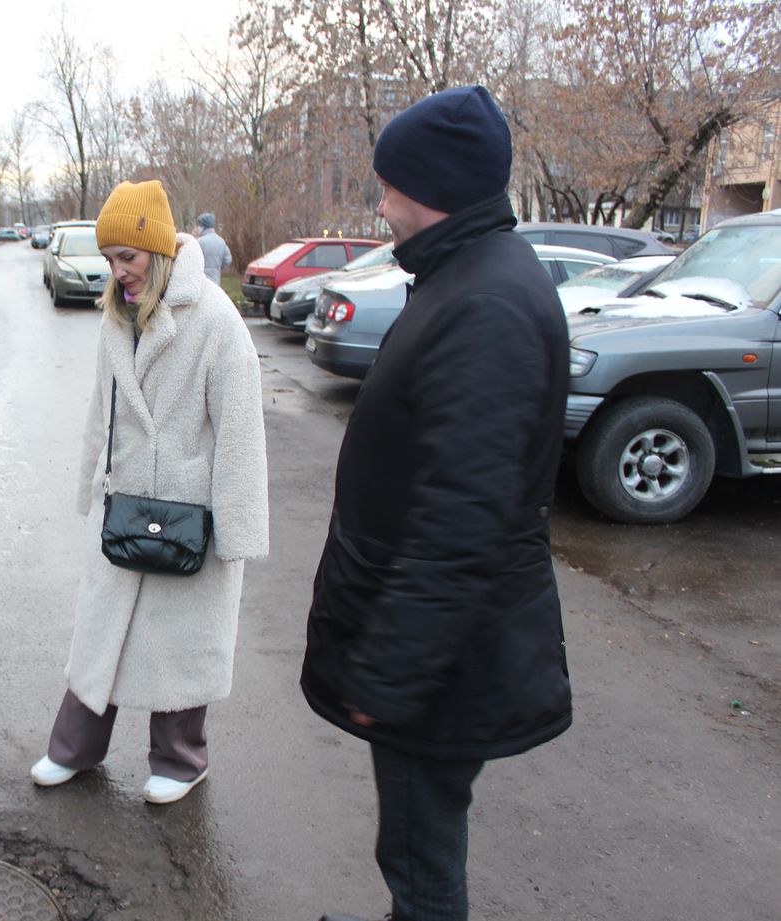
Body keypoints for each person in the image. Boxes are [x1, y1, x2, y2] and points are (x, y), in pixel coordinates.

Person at [301, 86, 572, 921]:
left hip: (444, 662)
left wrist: (394, 667)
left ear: (436, 188)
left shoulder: (485, 303)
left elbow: (463, 516)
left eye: (388, 185)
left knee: (421, 859)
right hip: (438, 650)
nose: (379, 203)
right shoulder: (462, 275)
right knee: (414, 847)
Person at [29, 179, 269, 805]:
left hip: (192, 510)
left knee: (178, 645)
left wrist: (238, 529)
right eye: (109, 259)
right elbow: (100, 410)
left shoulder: (216, 319)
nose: (117, 271)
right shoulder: (116, 315)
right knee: (100, 631)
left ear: (157, 252)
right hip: (125, 500)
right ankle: (73, 749)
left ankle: (182, 761)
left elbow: (241, 428)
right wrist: (91, 482)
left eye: (127, 257)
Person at [193, 213, 232, 284]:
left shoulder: (198, 242)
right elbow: (228, 260)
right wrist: (218, 267)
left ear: (202, 226)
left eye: (199, 225)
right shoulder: (221, 241)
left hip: (201, 282)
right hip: (216, 282)